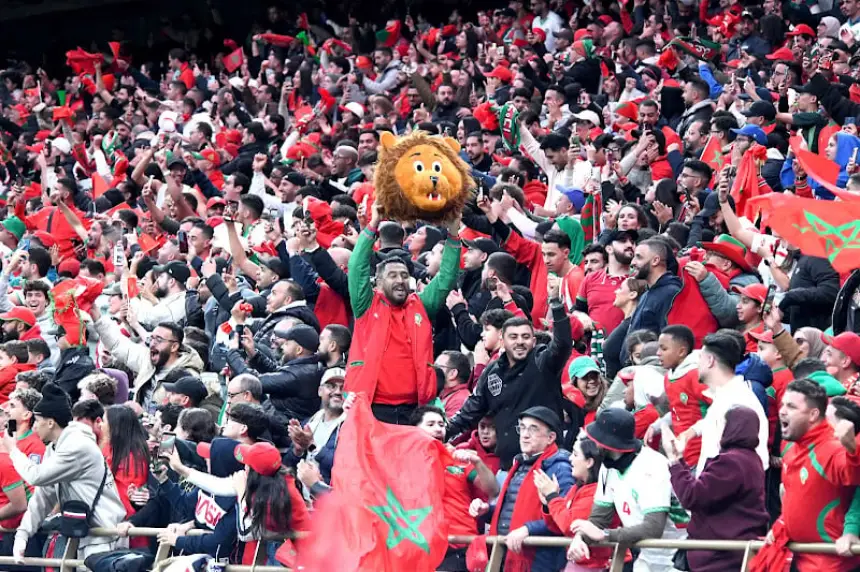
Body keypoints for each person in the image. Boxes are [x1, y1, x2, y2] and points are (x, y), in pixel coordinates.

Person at [346, 203, 462, 424]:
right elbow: (357, 266)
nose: (400, 280)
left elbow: (446, 278)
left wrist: (454, 233)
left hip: (414, 409)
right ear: (378, 283)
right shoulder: (366, 305)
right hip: (373, 408)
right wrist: (372, 225)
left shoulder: (421, 304)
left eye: (403, 275)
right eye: (392, 276)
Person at [3, 384, 126, 561]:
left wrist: (13, 451)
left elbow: (36, 477)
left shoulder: (77, 445)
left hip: (104, 536)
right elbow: (44, 496)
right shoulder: (55, 448)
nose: (34, 427)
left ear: (51, 422)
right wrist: (22, 535)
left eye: (37, 421)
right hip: (86, 535)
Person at [447, 305, 572, 469]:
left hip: (545, 464)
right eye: (513, 337)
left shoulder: (543, 362)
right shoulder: (492, 372)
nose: (520, 342)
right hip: (508, 466)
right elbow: (470, 411)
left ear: (533, 342)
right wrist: (441, 431)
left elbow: (562, 344)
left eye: (525, 337)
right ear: (502, 341)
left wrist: (556, 304)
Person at [568, 408, 687, 571]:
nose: (591, 444)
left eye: (596, 439)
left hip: (678, 556)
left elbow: (653, 527)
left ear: (609, 443)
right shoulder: (606, 467)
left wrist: (606, 535)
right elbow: (599, 518)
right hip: (646, 556)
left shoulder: (652, 465)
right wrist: (581, 537)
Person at [768, 379, 860, 571]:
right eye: (783, 404)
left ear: (813, 414)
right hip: (799, 558)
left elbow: (854, 474)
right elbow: (798, 499)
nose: (782, 410)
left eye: (791, 406)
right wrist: (782, 524)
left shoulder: (832, 449)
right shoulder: (792, 448)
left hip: (833, 564)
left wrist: (852, 447)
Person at [470, 407, 574, 572]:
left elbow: (565, 517)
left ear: (551, 437)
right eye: (522, 428)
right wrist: (487, 511)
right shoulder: (519, 464)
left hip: (539, 560)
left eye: (533, 429)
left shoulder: (560, 467)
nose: (525, 435)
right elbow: (512, 510)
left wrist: (528, 529)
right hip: (505, 553)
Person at [666, 406, 769, 572]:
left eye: (722, 424)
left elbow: (691, 496)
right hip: (730, 553)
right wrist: (680, 461)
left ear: (732, 428)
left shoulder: (731, 462)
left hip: (720, 557)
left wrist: (674, 463)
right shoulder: (751, 459)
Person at [411, 405, 498, 571]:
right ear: (414, 430)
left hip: (459, 545)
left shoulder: (458, 458)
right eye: (430, 425)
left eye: (441, 425)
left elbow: (492, 489)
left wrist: (477, 462)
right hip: (421, 546)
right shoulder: (402, 462)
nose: (438, 429)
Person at [678, 332, 768, 475]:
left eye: (700, 358)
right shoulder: (724, 397)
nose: (697, 366)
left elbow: (752, 461)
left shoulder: (737, 402)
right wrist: (692, 431)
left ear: (710, 361)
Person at [536, 436, 613, 572]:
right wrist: (548, 504)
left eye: (576, 454)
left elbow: (569, 526)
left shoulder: (596, 491)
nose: (570, 458)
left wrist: (553, 497)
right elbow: (558, 527)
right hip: (581, 563)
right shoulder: (577, 488)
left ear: (589, 462)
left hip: (597, 565)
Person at [283, 367, 347, 491]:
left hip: (329, 500)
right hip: (303, 501)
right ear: (320, 391)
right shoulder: (309, 423)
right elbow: (287, 467)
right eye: (331, 386)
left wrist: (312, 446)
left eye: (343, 387)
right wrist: (297, 450)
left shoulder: (351, 426)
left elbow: (346, 467)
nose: (338, 392)